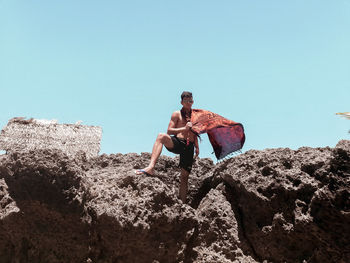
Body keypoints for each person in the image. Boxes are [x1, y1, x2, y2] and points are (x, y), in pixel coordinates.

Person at [135, 91, 199, 203]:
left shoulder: (196, 116)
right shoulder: (177, 114)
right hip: (178, 142)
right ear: (182, 102)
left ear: (193, 101)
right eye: (186, 101)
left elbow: (196, 132)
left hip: (190, 146)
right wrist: (183, 129)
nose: (189, 102)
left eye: (191, 100)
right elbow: (169, 131)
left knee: (184, 177)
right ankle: (151, 167)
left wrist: (197, 147)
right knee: (161, 136)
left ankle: (182, 204)